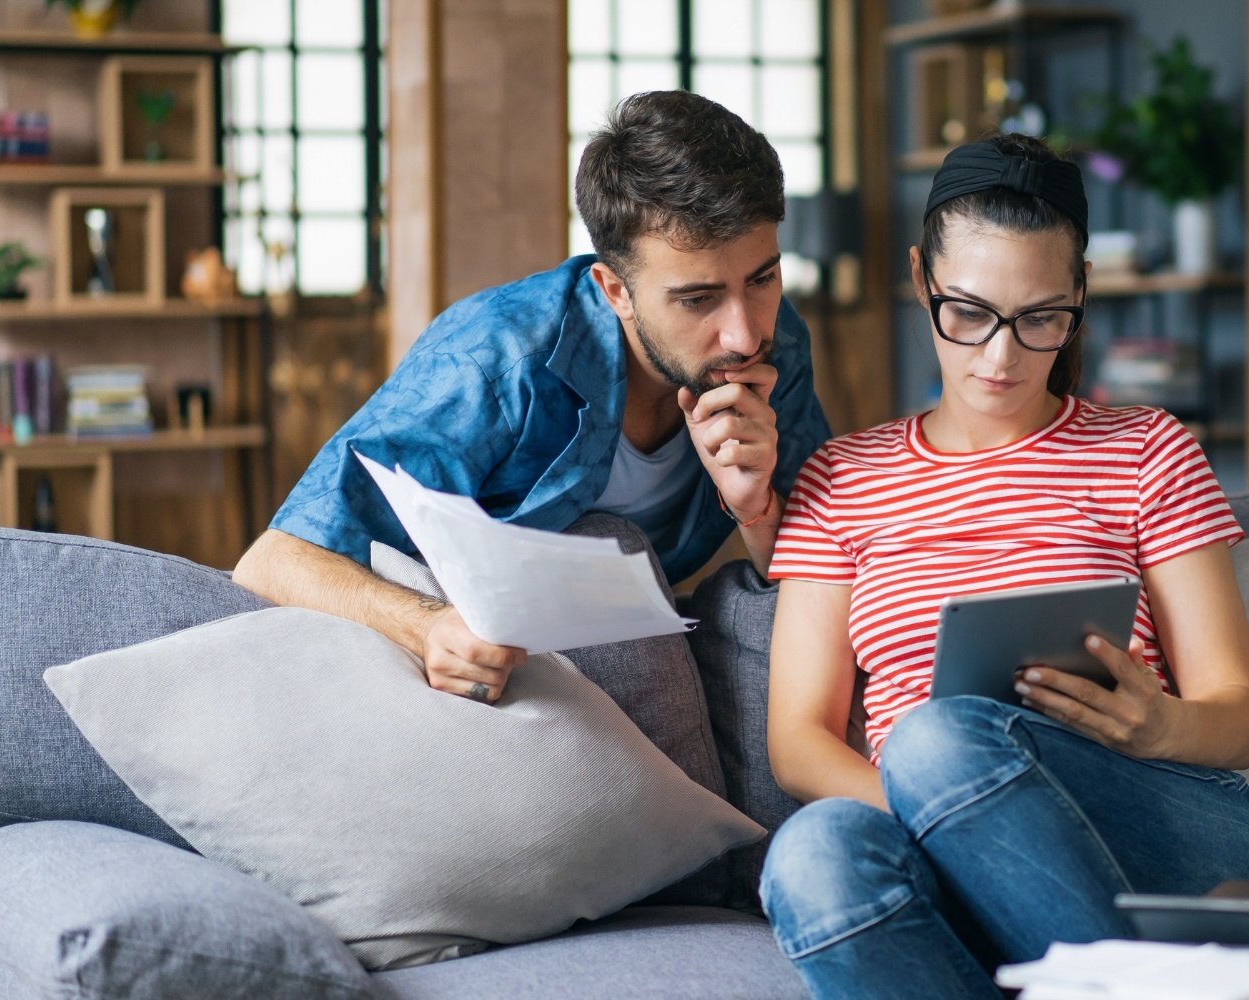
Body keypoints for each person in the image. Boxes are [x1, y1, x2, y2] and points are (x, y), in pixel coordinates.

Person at [757, 135, 1249, 998]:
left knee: (933, 733)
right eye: (968, 313)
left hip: (1157, 819)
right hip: (935, 829)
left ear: (1079, 296)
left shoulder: (1148, 450)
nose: (1000, 358)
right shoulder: (842, 478)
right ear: (923, 278)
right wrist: (943, 811)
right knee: (813, 854)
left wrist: (1161, 728)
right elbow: (798, 743)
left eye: (1040, 318)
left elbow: (1240, 716)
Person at [232, 91, 831, 704]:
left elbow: (824, 566)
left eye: (762, 279)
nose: (745, 332)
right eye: (697, 299)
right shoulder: (496, 357)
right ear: (615, 291)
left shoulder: (775, 340)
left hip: (635, 640)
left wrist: (755, 508)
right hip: (468, 660)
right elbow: (275, 560)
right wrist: (427, 626)